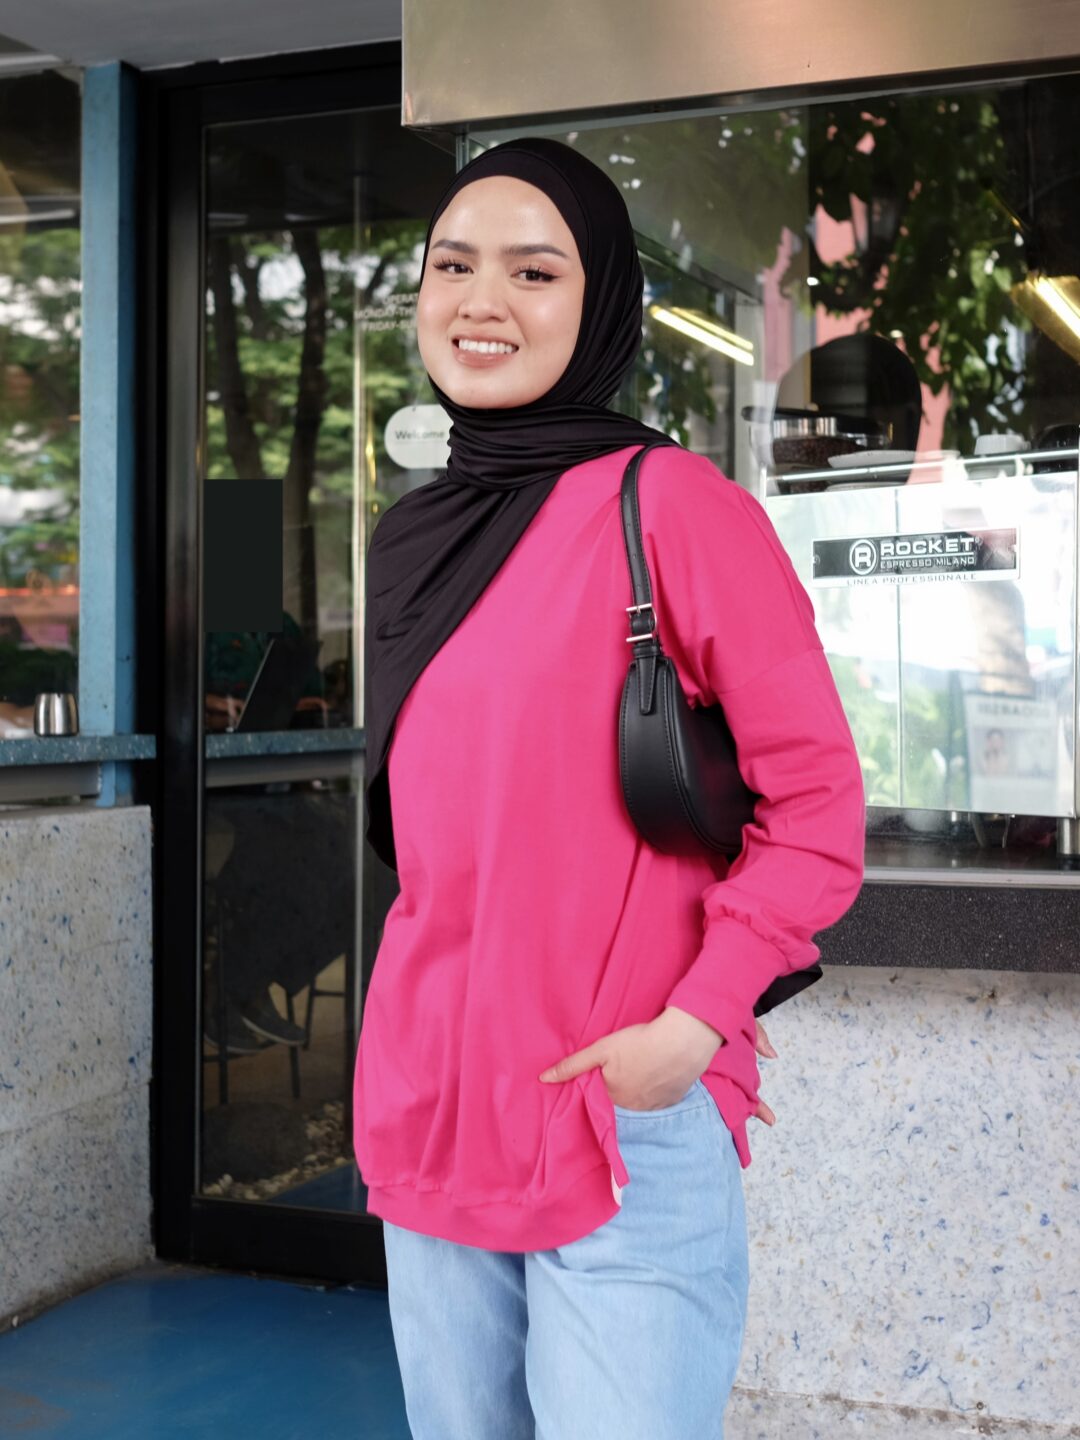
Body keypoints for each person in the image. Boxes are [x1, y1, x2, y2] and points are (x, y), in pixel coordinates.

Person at [352, 138, 865, 1440]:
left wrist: (693, 1025)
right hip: (436, 1098)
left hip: (614, 1110)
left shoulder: (671, 507)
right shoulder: (413, 537)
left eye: (535, 272)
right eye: (453, 266)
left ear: (602, 308)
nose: (482, 301)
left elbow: (817, 808)